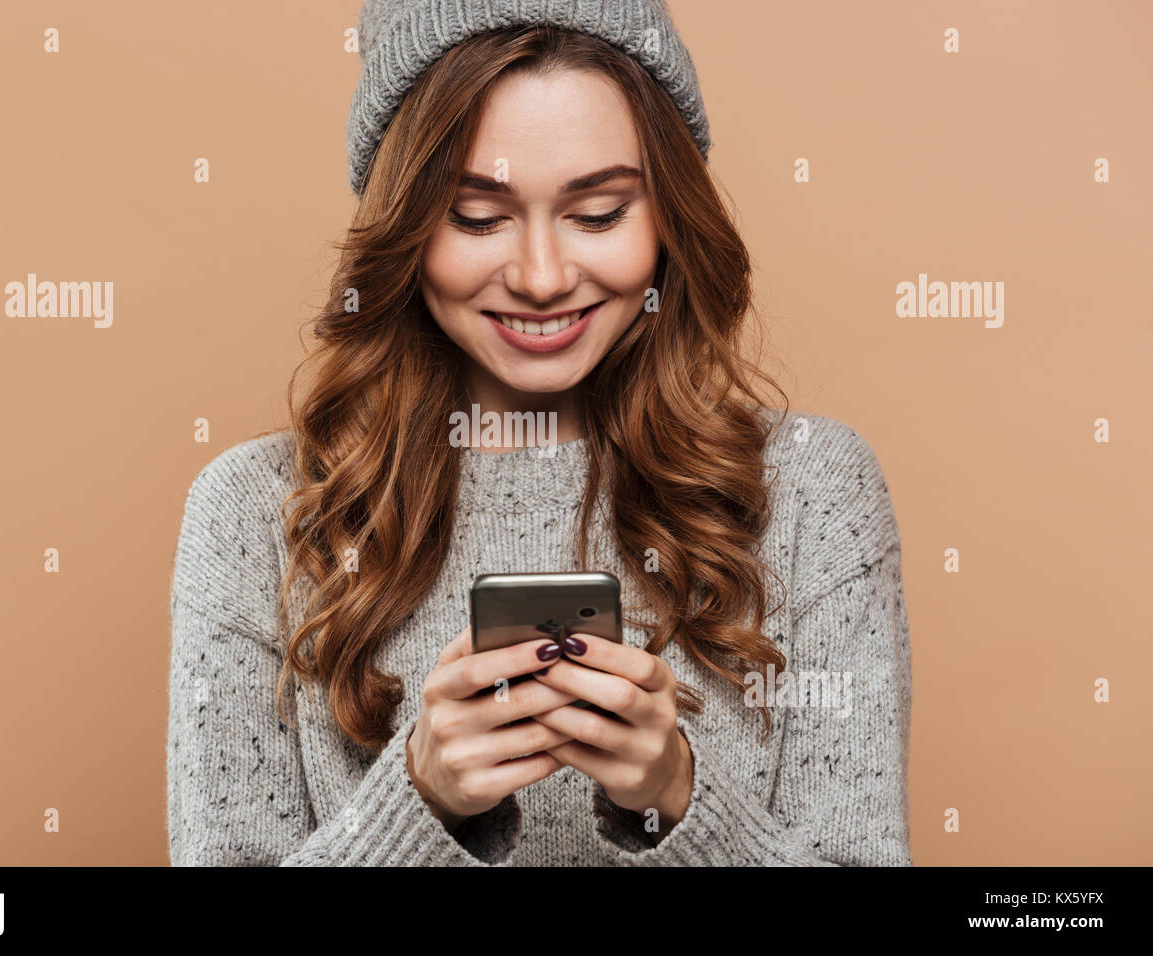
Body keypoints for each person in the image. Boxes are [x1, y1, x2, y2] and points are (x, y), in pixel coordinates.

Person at [167, 0, 912, 866]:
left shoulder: (813, 491)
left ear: (669, 217)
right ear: (403, 226)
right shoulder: (258, 515)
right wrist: (421, 801)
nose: (543, 278)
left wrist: (675, 795)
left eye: (598, 214)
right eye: (477, 217)